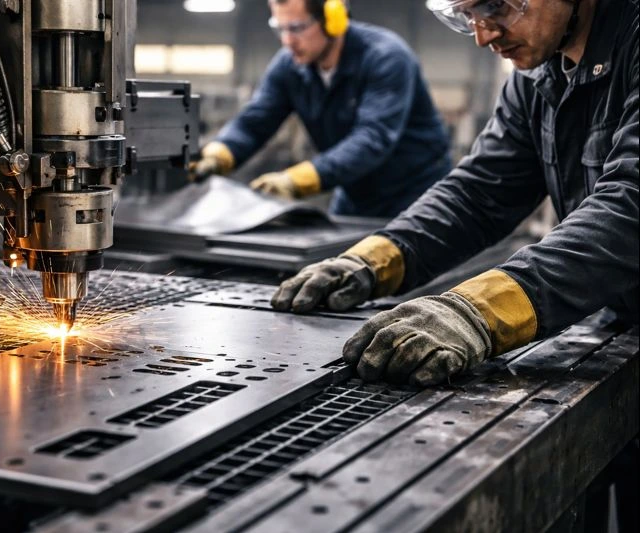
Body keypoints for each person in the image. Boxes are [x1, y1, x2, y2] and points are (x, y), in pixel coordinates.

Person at [270, 0, 638, 387]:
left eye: (495, 6)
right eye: (467, 17)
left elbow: (631, 206)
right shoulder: (539, 75)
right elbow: (480, 192)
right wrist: (374, 260)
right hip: (618, 312)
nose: (483, 36)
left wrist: (478, 311)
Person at [190, 0, 451, 218]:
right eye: (279, 28)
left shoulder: (386, 57)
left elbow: (373, 138)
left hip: (416, 193)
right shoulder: (288, 66)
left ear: (333, 19)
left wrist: (296, 180)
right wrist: (220, 153)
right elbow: (256, 120)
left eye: (297, 28)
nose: (287, 41)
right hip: (354, 191)